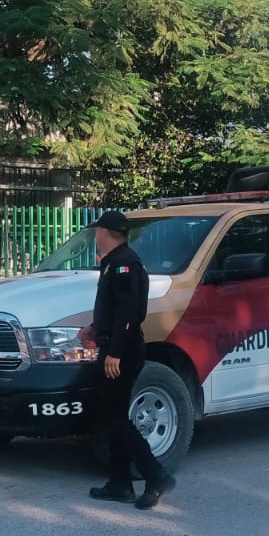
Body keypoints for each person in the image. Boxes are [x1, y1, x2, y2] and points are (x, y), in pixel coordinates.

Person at [81, 211, 177, 510]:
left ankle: (156, 476)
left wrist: (115, 352)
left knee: (116, 419)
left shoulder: (124, 264)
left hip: (122, 352)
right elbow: (115, 311)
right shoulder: (115, 261)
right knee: (112, 417)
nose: (96, 235)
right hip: (114, 346)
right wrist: (95, 330)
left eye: (98, 230)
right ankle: (120, 483)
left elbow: (129, 314)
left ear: (106, 232)